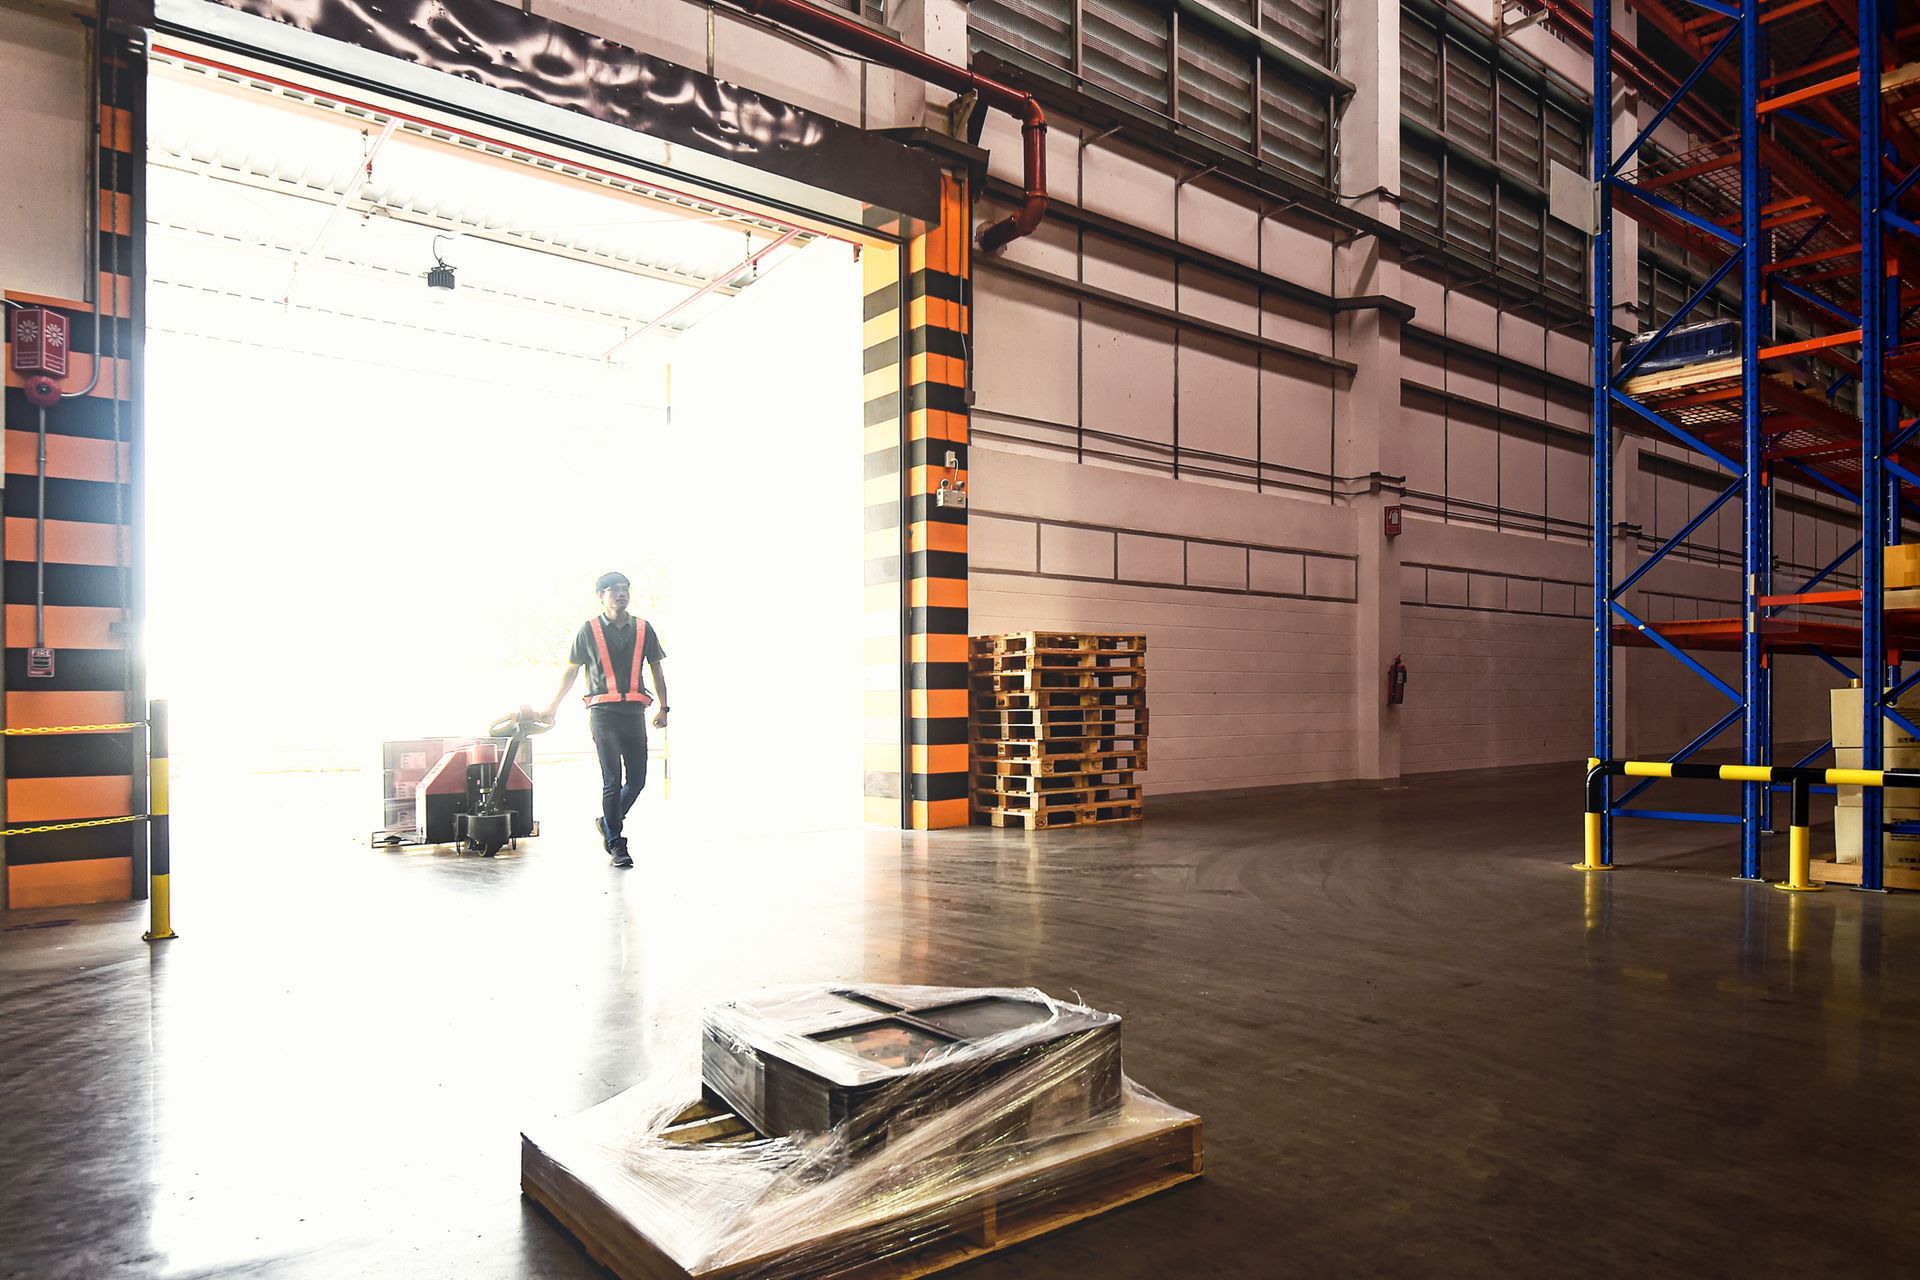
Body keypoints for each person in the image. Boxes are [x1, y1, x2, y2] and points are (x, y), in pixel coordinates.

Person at [545, 572, 668, 868]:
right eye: (613, 590)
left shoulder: (643, 628)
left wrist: (664, 707)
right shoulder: (588, 631)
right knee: (612, 779)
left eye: (625, 589)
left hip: (634, 714)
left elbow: (656, 669)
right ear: (601, 596)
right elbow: (571, 671)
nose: (620, 594)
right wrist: (552, 708)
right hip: (603, 715)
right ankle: (616, 843)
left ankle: (607, 821)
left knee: (637, 780)